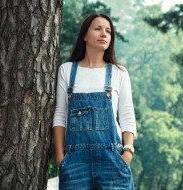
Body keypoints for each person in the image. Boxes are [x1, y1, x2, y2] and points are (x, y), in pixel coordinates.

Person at [53, 13, 137, 189]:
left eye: (108, 31)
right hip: (75, 163)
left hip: (113, 160)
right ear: (85, 35)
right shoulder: (67, 71)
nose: (104, 34)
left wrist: (127, 153)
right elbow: (60, 116)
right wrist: (61, 158)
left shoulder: (119, 72)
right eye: (98, 29)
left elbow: (128, 115)